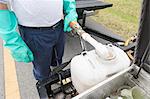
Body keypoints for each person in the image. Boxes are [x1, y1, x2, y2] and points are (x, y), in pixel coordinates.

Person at [0, 0, 78, 82]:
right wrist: (11, 40)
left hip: (58, 26)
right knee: (42, 68)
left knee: (57, 58)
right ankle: (45, 84)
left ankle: (57, 76)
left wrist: (70, 10)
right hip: (33, 33)